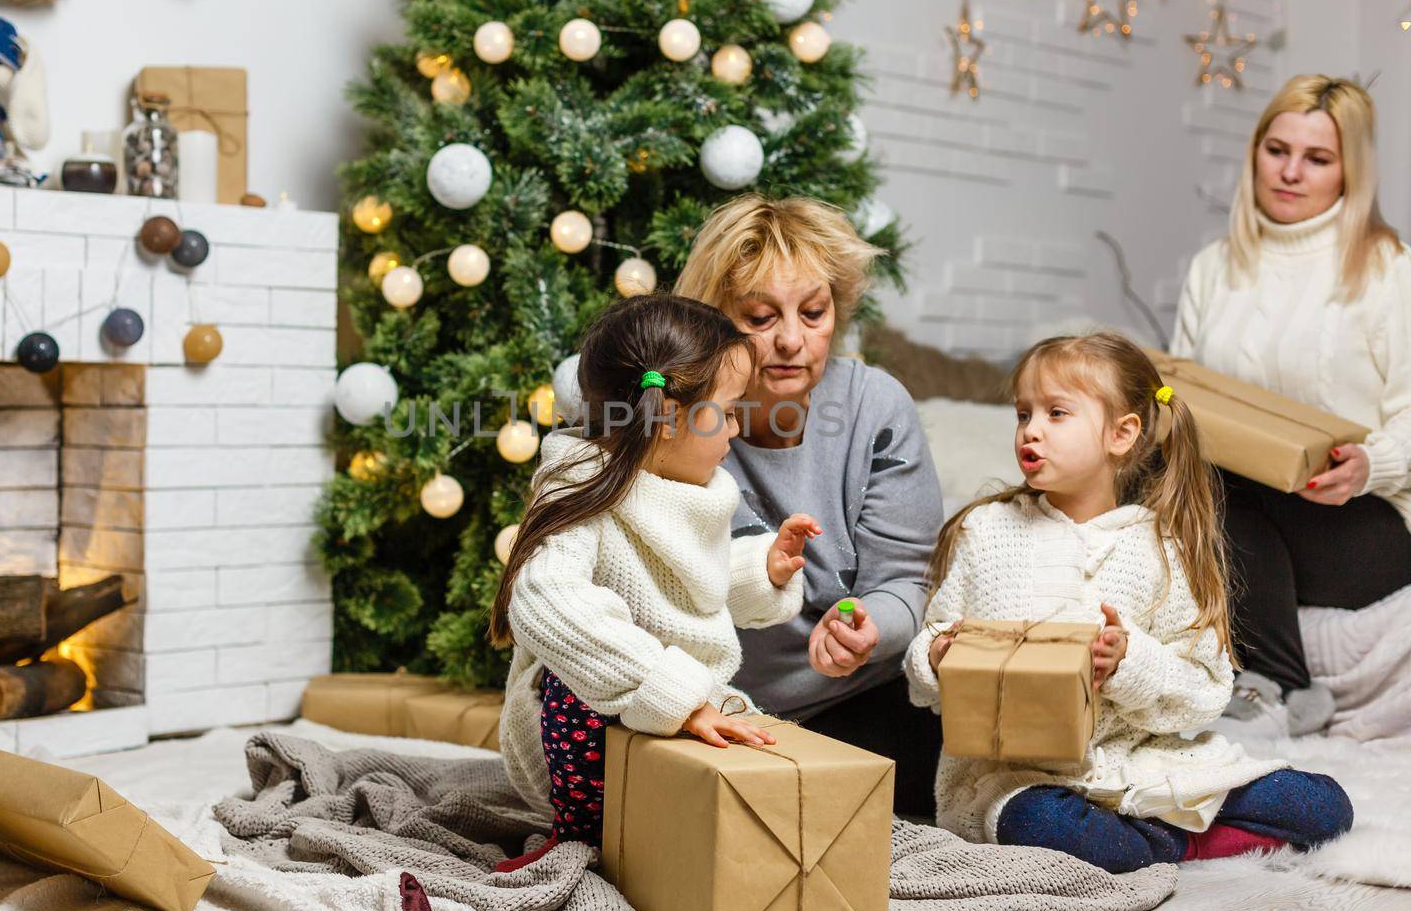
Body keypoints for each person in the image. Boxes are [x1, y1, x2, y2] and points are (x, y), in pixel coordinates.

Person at [904, 333, 1352, 874]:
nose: (1032, 429)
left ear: (1122, 434)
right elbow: (926, 671)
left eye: (1057, 413)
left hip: (1141, 763)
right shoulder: (985, 532)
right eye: (1024, 414)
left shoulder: (1161, 549)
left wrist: (1128, 662)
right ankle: (1177, 844)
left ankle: (1148, 840)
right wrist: (935, 656)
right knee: (1044, 823)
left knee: (1321, 805)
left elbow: (1205, 689)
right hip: (1020, 780)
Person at [490, 293, 818, 871]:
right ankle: (579, 838)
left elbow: (691, 588)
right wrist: (675, 695)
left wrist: (761, 571)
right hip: (588, 719)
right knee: (574, 695)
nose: (738, 428)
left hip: (678, 705)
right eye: (730, 410)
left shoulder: (692, 485)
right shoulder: (579, 483)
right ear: (667, 417)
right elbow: (546, 600)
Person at [674, 194, 945, 816]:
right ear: (714, 320)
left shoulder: (877, 407)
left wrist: (868, 626)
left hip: (854, 700)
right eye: (762, 317)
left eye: (814, 313)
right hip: (708, 709)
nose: (793, 341)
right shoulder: (675, 420)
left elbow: (907, 582)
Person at [1172, 74, 1411, 736]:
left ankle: (1272, 683)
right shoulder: (1213, 268)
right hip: (1239, 504)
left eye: (1317, 158)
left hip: (1362, 523)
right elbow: (1183, 399)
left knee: (1221, 487)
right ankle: (1283, 687)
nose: (1290, 172)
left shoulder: (1391, 269)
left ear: (1349, 172)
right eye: (1277, 149)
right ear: (1255, 151)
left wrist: (1372, 464)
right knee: (1197, 477)